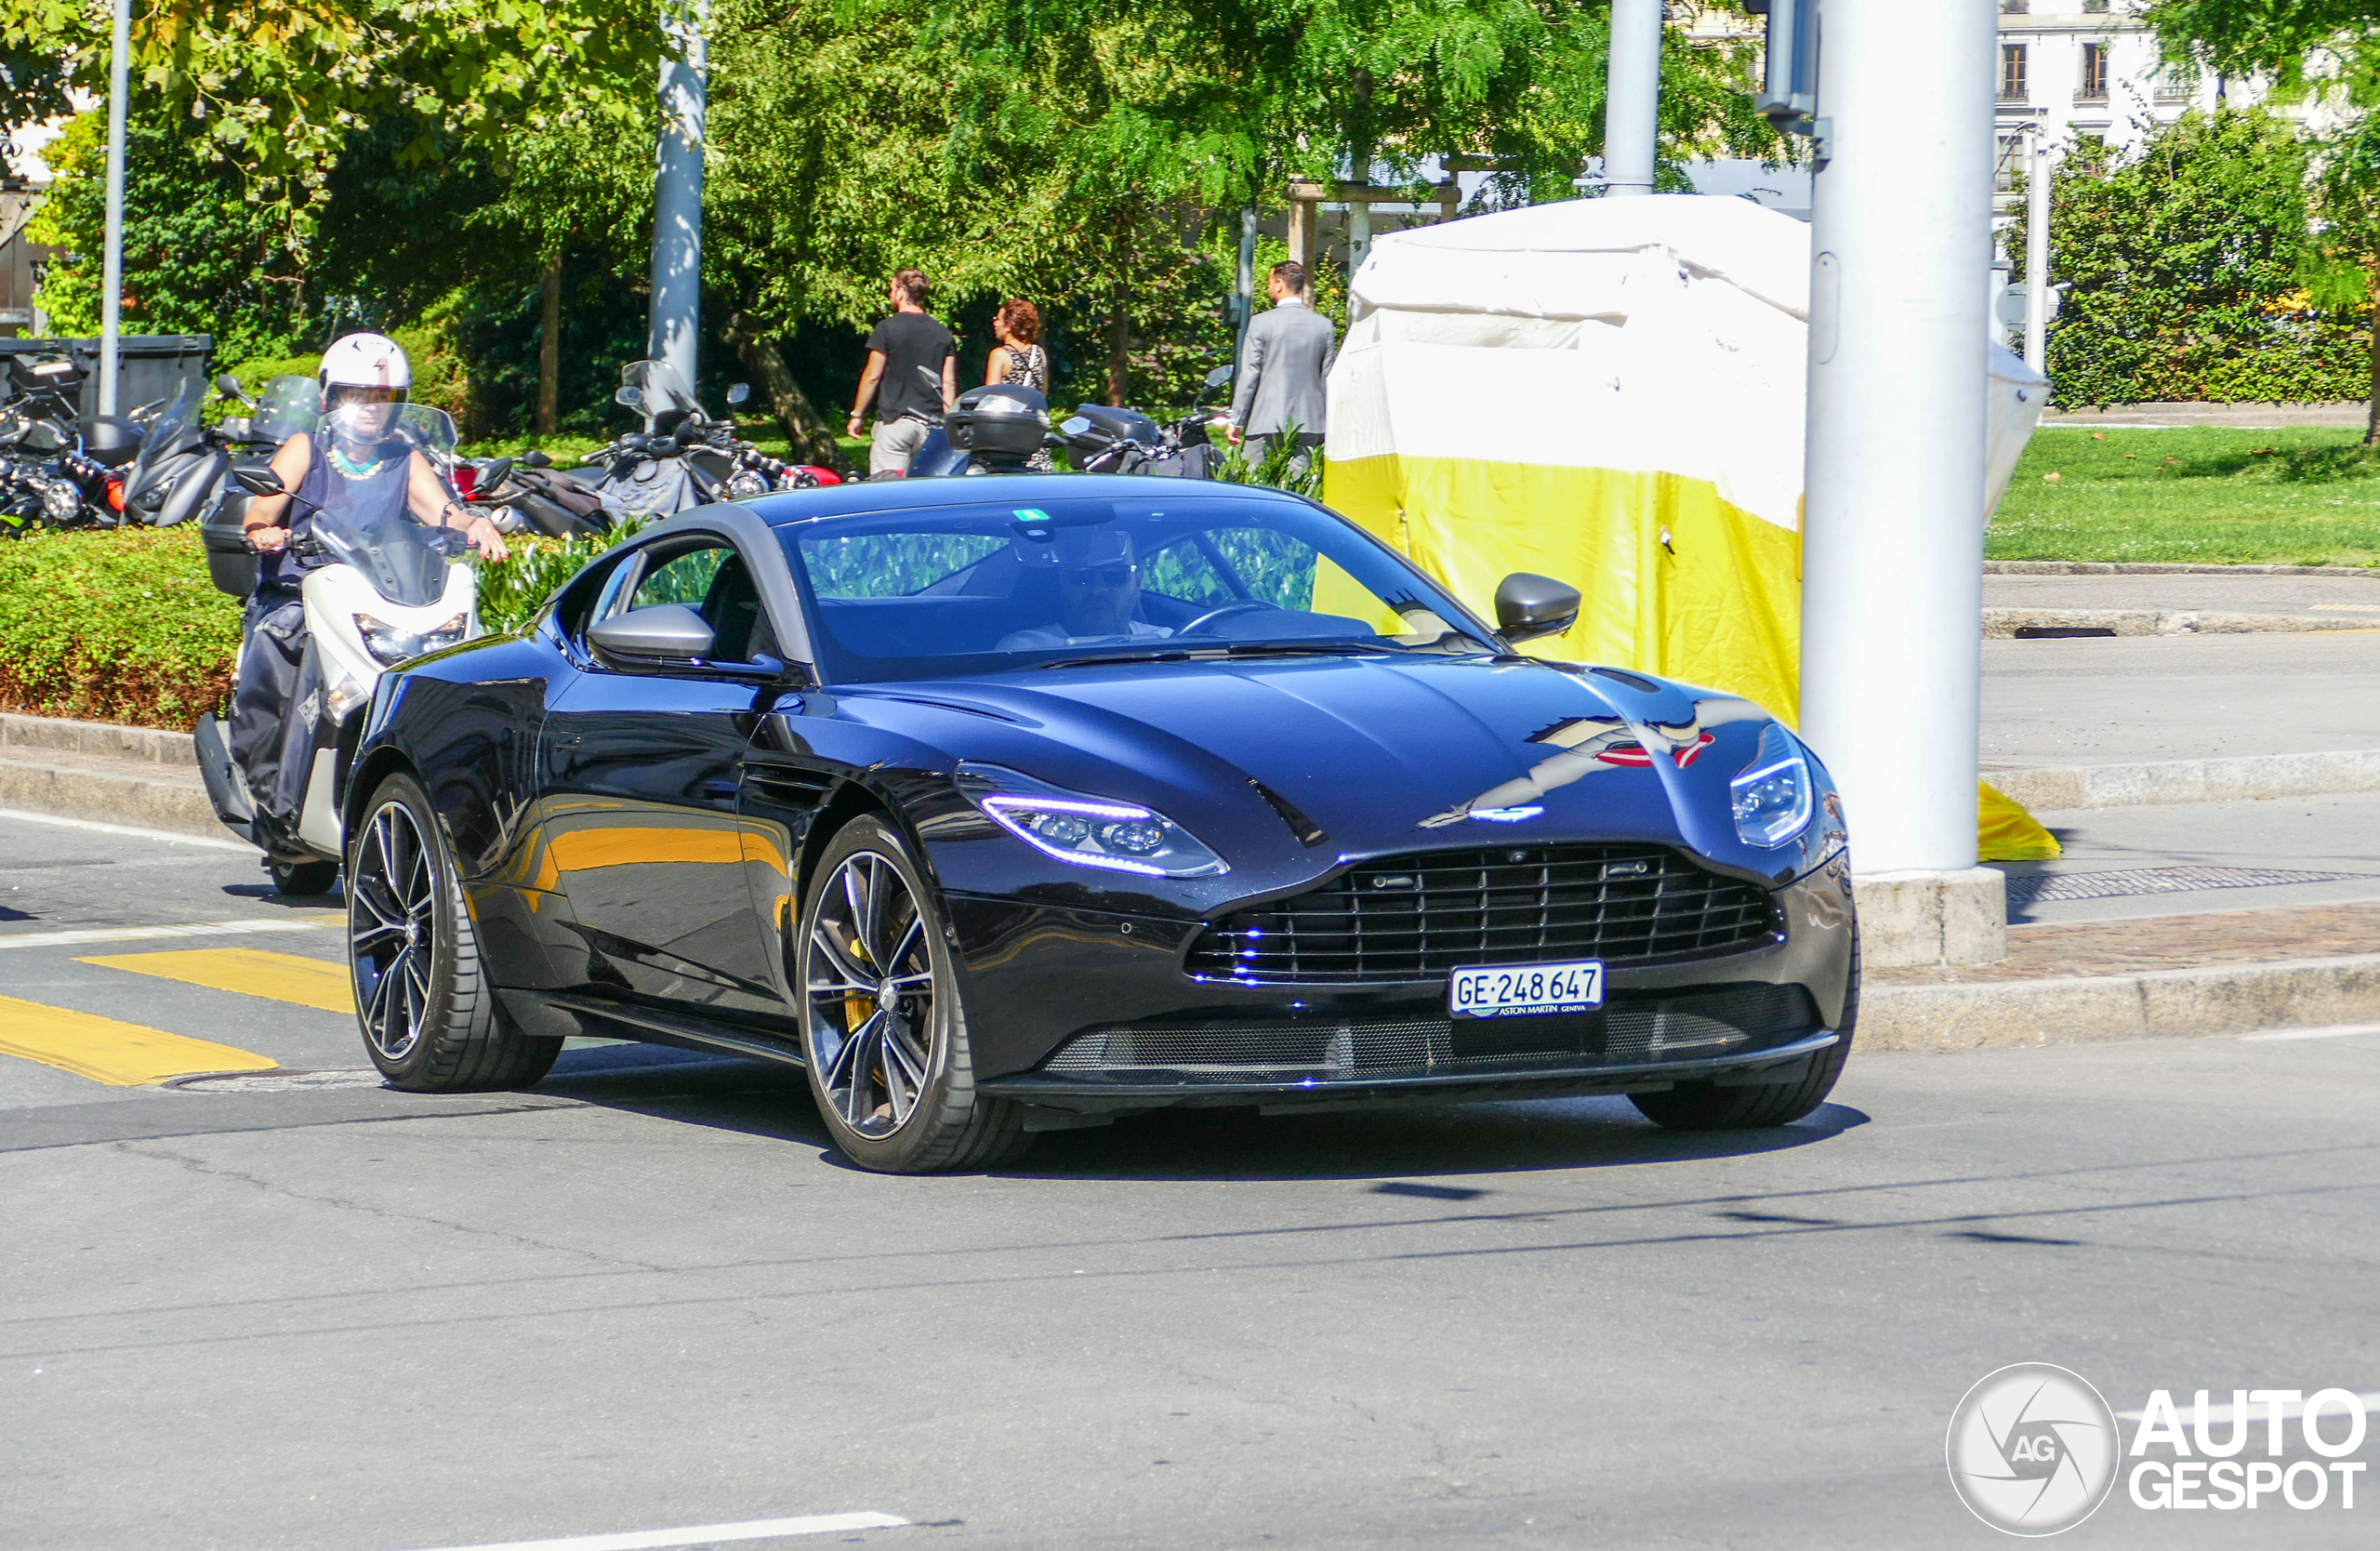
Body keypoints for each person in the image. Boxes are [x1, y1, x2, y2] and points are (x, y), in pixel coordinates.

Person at [231, 331, 506, 842]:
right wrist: (262, 529)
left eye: (384, 398)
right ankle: (275, 791)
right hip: (304, 591)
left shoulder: (404, 458)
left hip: (384, 595)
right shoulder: (305, 448)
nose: (371, 408)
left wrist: (477, 526)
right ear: (329, 399)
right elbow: (264, 505)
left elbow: (443, 509)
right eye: (358, 396)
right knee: (282, 640)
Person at [1226, 259, 1337, 476]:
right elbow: (1328, 377)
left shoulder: (1260, 323)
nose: (1268, 288)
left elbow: (1250, 374)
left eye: (1269, 282)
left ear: (1279, 284)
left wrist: (1236, 420)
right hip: (1310, 422)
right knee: (1297, 490)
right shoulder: (1324, 326)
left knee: (1255, 487)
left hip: (1265, 420)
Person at [847, 269, 958, 477]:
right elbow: (948, 383)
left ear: (902, 291)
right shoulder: (942, 333)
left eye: (891, 289)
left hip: (895, 424)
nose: (889, 295)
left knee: (887, 490)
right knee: (925, 492)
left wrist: (857, 415)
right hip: (930, 427)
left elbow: (872, 375)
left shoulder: (887, 329)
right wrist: (948, 423)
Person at [995, 528, 1173, 651]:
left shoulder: (1167, 641)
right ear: (1063, 582)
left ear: (1138, 581)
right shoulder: (1026, 650)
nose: (1098, 589)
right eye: (1081, 576)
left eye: (1115, 576)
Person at [985, 298, 1052, 471]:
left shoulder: (999, 354)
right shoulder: (1040, 353)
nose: (995, 323)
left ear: (1008, 325)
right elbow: (1042, 393)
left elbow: (990, 399)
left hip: (1009, 440)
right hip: (1035, 438)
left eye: (998, 319)